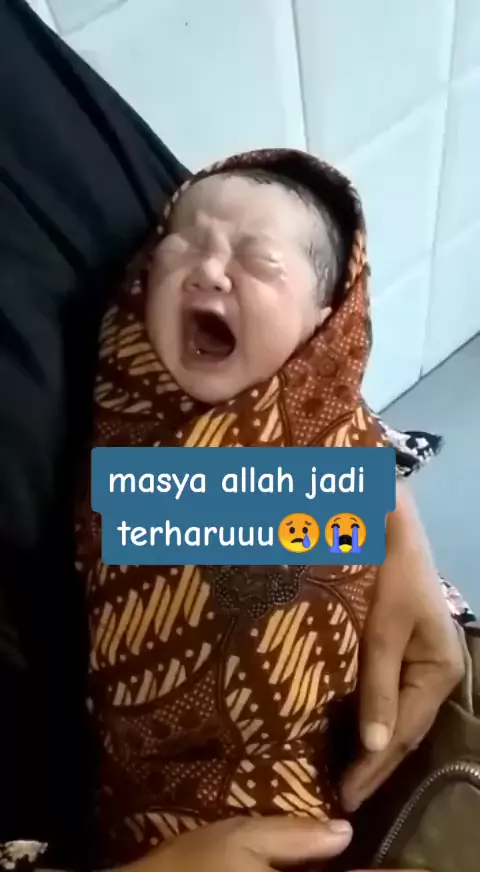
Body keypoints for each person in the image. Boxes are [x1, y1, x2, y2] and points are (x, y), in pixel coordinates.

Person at [0, 1, 468, 870]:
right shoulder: (129, 396)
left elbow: (295, 368)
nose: (203, 266)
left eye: (253, 260)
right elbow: (126, 505)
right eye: (179, 248)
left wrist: (368, 500)